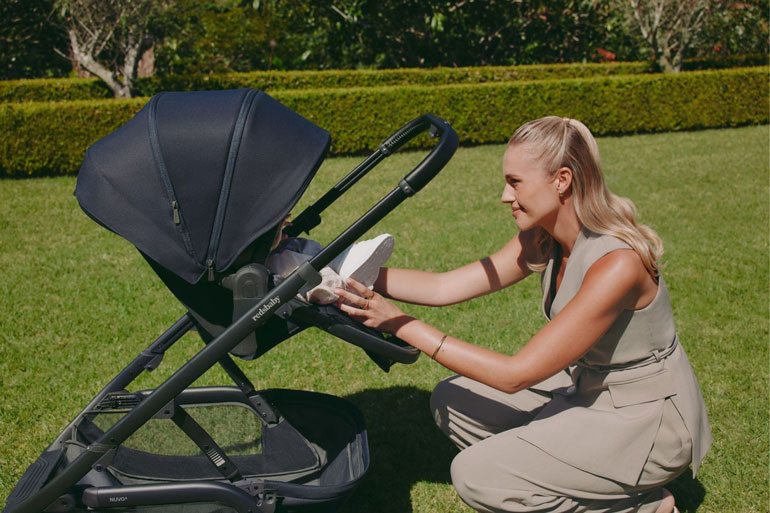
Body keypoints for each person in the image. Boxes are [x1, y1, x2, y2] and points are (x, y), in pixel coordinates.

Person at [333, 116, 711, 513]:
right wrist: (347, 274)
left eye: (515, 182)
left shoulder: (617, 265)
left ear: (562, 180)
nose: (504, 195)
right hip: (586, 390)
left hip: (646, 422)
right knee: (450, 401)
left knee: (476, 476)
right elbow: (445, 287)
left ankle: (642, 507)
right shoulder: (544, 237)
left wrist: (399, 323)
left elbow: (516, 376)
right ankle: (585, 475)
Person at [265, 213, 394, 304]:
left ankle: (340, 259)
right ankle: (343, 288)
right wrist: (275, 231)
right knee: (295, 265)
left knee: (299, 245)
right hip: (266, 272)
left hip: (266, 253)